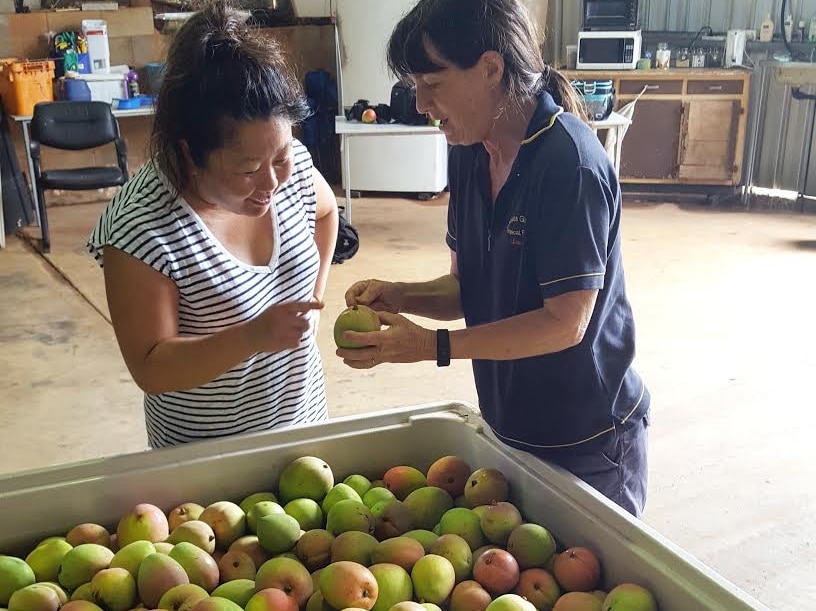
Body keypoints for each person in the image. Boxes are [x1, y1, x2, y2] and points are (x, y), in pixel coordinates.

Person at [337, 0, 650, 517]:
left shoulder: (567, 163)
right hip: (511, 422)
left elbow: (564, 325)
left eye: (432, 84)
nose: (419, 103)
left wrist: (432, 347)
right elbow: (469, 289)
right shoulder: (467, 152)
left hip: (587, 436)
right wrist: (401, 294)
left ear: (490, 69)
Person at [87, 1, 338, 448]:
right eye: (247, 170)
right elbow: (151, 366)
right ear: (189, 154)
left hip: (304, 429)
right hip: (206, 462)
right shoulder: (142, 227)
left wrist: (315, 293)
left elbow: (325, 212)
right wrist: (255, 336)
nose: (272, 182)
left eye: (279, 156)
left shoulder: (292, 168)